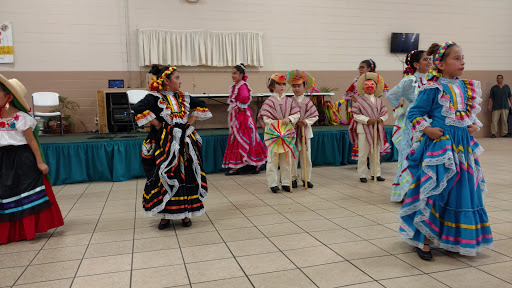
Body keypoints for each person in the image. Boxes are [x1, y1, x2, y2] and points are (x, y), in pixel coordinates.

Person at [399, 42, 493, 260]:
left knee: (463, 190)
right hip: (442, 147)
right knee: (436, 189)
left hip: (463, 149)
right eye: (457, 58)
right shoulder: (433, 88)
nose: (462, 62)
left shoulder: (466, 87)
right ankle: (423, 239)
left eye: (463, 58)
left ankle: (456, 237)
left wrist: (472, 125)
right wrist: (428, 129)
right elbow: (414, 114)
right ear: (440, 64)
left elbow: (467, 115)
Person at [133, 65, 212, 229]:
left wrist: (189, 123)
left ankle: (185, 214)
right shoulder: (155, 97)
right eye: (177, 78)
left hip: (184, 142)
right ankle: (165, 216)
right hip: (165, 143)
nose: (180, 81)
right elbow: (138, 107)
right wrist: (156, 123)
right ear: (167, 82)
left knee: (187, 174)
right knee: (165, 175)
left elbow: (202, 104)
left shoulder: (184, 97)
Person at [0, 74, 64, 244]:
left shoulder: (21, 118)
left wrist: (40, 162)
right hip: (2, 160)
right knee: (5, 193)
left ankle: (25, 230)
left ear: (8, 96)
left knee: (22, 192)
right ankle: (9, 232)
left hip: (20, 159)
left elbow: (31, 140)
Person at [386, 49, 432, 202]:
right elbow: (390, 95)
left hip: (428, 121)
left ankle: (422, 191)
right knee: (409, 153)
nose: (429, 62)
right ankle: (406, 191)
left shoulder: (431, 80)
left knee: (425, 154)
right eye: (425, 59)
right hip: (412, 122)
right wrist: (401, 110)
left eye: (430, 59)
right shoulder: (409, 80)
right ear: (416, 64)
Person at [258, 73, 300, 193]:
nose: (282, 86)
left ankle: (286, 182)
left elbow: (296, 113)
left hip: (286, 134)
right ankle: (273, 183)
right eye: (279, 84)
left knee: (286, 158)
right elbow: (265, 117)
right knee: (272, 159)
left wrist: (290, 119)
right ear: (272, 85)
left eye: (283, 84)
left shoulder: (289, 101)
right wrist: (275, 124)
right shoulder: (269, 102)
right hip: (273, 135)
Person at [222, 63, 267, 175]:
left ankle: (247, 165)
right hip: (238, 116)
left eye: (235, 73)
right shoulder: (237, 86)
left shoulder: (242, 86)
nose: (233, 75)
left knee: (243, 139)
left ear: (241, 75)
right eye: (232, 73)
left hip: (242, 118)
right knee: (241, 139)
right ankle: (249, 165)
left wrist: (240, 107)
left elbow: (244, 98)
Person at [349, 72, 391, 183]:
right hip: (363, 130)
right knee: (363, 154)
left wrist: (380, 119)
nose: (369, 86)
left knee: (375, 154)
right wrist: (367, 120)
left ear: (376, 87)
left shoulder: (379, 101)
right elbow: (356, 115)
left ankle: (376, 174)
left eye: (372, 84)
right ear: (363, 87)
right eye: (367, 84)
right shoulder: (359, 101)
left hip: (376, 130)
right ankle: (362, 174)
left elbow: (384, 112)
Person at [345, 59, 389, 161]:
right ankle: (364, 164)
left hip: (375, 114)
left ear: (369, 69)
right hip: (362, 114)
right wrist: (358, 102)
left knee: (377, 138)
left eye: (362, 67)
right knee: (363, 142)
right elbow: (349, 95)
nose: (360, 70)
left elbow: (384, 94)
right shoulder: (357, 82)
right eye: (359, 68)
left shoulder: (377, 81)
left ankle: (376, 165)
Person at [287, 70, 319, 189]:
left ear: (304, 87)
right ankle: (293, 178)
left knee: (306, 157)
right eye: (294, 86)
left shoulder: (308, 102)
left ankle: (307, 178)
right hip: (292, 133)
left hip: (305, 133)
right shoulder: (289, 101)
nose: (296, 89)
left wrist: (305, 122)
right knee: (293, 156)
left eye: (299, 86)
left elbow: (315, 116)